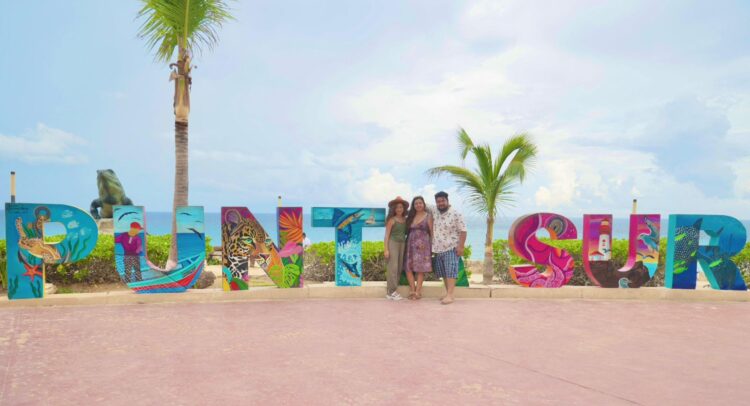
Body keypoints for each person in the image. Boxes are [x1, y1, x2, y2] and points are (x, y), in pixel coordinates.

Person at [430, 191, 467, 305]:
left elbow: (463, 231)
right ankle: (448, 294)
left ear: (447, 200)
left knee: (451, 272)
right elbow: (422, 204)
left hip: (451, 247)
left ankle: (450, 295)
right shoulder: (435, 211)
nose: (441, 203)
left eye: (443, 201)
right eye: (438, 201)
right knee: (445, 273)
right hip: (438, 249)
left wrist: (461, 247)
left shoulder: (456, 214)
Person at [404, 196, 433, 300]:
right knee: (408, 268)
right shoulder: (410, 216)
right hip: (410, 245)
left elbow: (432, 232)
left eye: (420, 203)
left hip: (423, 246)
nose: (418, 205)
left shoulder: (428, 216)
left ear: (423, 204)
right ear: (413, 205)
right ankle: (412, 290)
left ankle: (418, 292)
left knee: (421, 269)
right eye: (416, 203)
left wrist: (432, 246)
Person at [384, 196, 409, 301]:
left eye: (401, 207)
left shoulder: (405, 220)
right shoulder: (392, 220)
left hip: (402, 244)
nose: (399, 209)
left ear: (404, 209)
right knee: (392, 268)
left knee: (399, 268)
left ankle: (393, 291)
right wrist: (386, 249)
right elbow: (386, 236)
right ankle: (391, 292)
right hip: (393, 243)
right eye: (397, 207)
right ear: (394, 209)